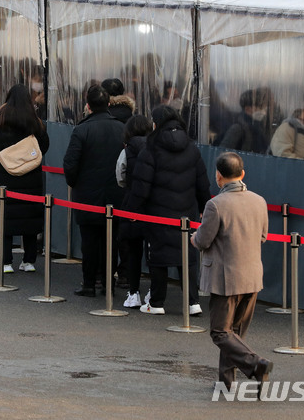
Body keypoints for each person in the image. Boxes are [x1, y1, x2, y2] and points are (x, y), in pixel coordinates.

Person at [191, 152, 273, 395]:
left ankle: (256, 364)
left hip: (225, 278)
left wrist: (193, 236)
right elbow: (263, 236)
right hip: (252, 276)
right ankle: (227, 382)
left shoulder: (215, 205)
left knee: (220, 332)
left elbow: (204, 241)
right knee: (234, 333)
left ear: (218, 176)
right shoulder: (259, 201)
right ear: (242, 174)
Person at [127, 105, 211, 314]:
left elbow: (141, 186)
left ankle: (157, 303)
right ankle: (193, 302)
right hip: (187, 212)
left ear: (156, 124)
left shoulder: (150, 148)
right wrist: (203, 209)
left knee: (159, 257)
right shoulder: (192, 147)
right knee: (188, 257)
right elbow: (203, 184)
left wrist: (132, 211)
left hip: (158, 213)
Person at [63, 85, 126, 297]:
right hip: (116, 194)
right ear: (109, 104)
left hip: (87, 195)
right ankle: (109, 284)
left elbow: (70, 164)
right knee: (112, 241)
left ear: (87, 105)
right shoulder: (122, 129)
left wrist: (76, 183)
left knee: (89, 241)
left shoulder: (81, 130)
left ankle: (89, 283)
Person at [0, 84, 50, 273]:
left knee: (4, 217)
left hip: (2, 176)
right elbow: (44, 146)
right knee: (28, 217)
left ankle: (5, 261)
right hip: (30, 176)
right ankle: (29, 261)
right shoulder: (36, 122)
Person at [117, 115, 153, 308]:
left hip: (131, 203)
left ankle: (133, 292)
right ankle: (153, 292)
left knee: (133, 251)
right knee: (153, 251)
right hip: (153, 206)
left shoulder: (127, 150)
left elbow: (120, 175)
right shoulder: (157, 148)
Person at [218, 89, 270, 154]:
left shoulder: (259, 127)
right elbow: (222, 154)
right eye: (260, 107)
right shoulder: (238, 128)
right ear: (247, 109)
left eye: (264, 108)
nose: (264, 112)